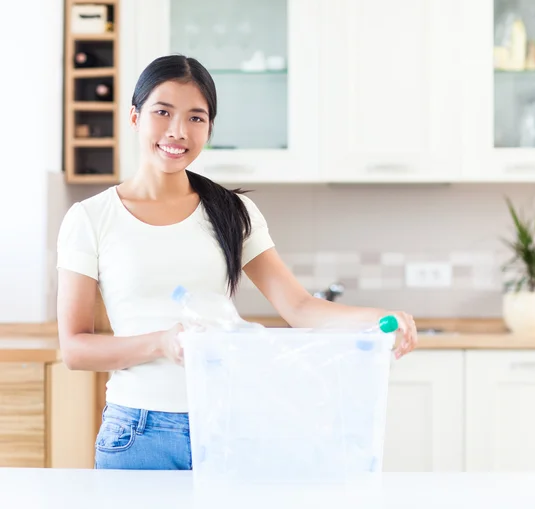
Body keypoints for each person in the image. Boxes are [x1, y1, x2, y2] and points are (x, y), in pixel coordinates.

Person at [56, 54, 419, 470]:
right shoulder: (91, 218)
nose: (178, 131)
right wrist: (160, 342)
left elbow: (299, 308)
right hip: (137, 432)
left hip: (227, 424)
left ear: (209, 128)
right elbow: (75, 349)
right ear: (136, 116)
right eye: (163, 112)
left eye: (196, 117)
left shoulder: (233, 211)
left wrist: (381, 316)